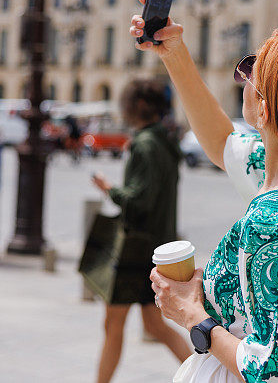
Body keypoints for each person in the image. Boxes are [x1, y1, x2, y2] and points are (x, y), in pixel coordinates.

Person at [131, 0, 278, 382]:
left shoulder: (274, 217)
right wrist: (173, 53)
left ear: (265, 110)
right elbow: (222, 142)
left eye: (251, 71)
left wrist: (194, 316)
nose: (242, 77)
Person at [90, 79, 192, 383]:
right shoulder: (163, 142)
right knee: (154, 325)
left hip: (136, 248)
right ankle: (205, 375)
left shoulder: (145, 145)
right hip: (159, 248)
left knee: (113, 322)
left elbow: (139, 200)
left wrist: (109, 188)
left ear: (137, 107)